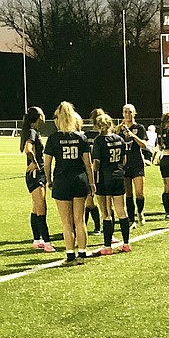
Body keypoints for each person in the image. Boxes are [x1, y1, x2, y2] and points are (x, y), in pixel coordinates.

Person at [44, 102, 95, 266]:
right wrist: (92, 183)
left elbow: (47, 163)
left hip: (62, 180)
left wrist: (48, 180)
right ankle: (82, 253)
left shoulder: (53, 138)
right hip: (79, 179)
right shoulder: (81, 137)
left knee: (66, 222)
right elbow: (88, 164)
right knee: (80, 220)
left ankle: (70, 254)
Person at [91, 113, 131, 255]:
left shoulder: (99, 141)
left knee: (106, 212)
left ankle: (107, 247)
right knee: (122, 210)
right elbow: (124, 159)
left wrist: (93, 177)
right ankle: (126, 243)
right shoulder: (119, 139)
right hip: (118, 176)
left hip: (104, 177)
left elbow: (96, 163)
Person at [19, 106, 55, 252]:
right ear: (39, 116)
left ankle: (37, 239)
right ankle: (46, 242)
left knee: (36, 208)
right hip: (36, 175)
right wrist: (34, 162)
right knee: (41, 208)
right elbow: (28, 149)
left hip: (38, 174)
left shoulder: (34, 132)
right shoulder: (32, 132)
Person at [120, 104, 148, 227]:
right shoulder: (119, 129)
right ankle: (131, 219)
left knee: (139, 192)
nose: (127, 114)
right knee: (128, 193)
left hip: (137, 163)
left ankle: (140, 213)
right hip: (125, 165)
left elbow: (144, 145)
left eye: (130, 112)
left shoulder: (139, 128)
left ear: (134, 113)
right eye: (125, 112)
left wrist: (133, 136)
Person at [83, 108, 103, 235]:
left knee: (103, 201)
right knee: (88, 200)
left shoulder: (104, 135)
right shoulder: (87, 135)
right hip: (89, 170)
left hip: (101, 170)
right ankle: (91, 226)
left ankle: (101, 225)